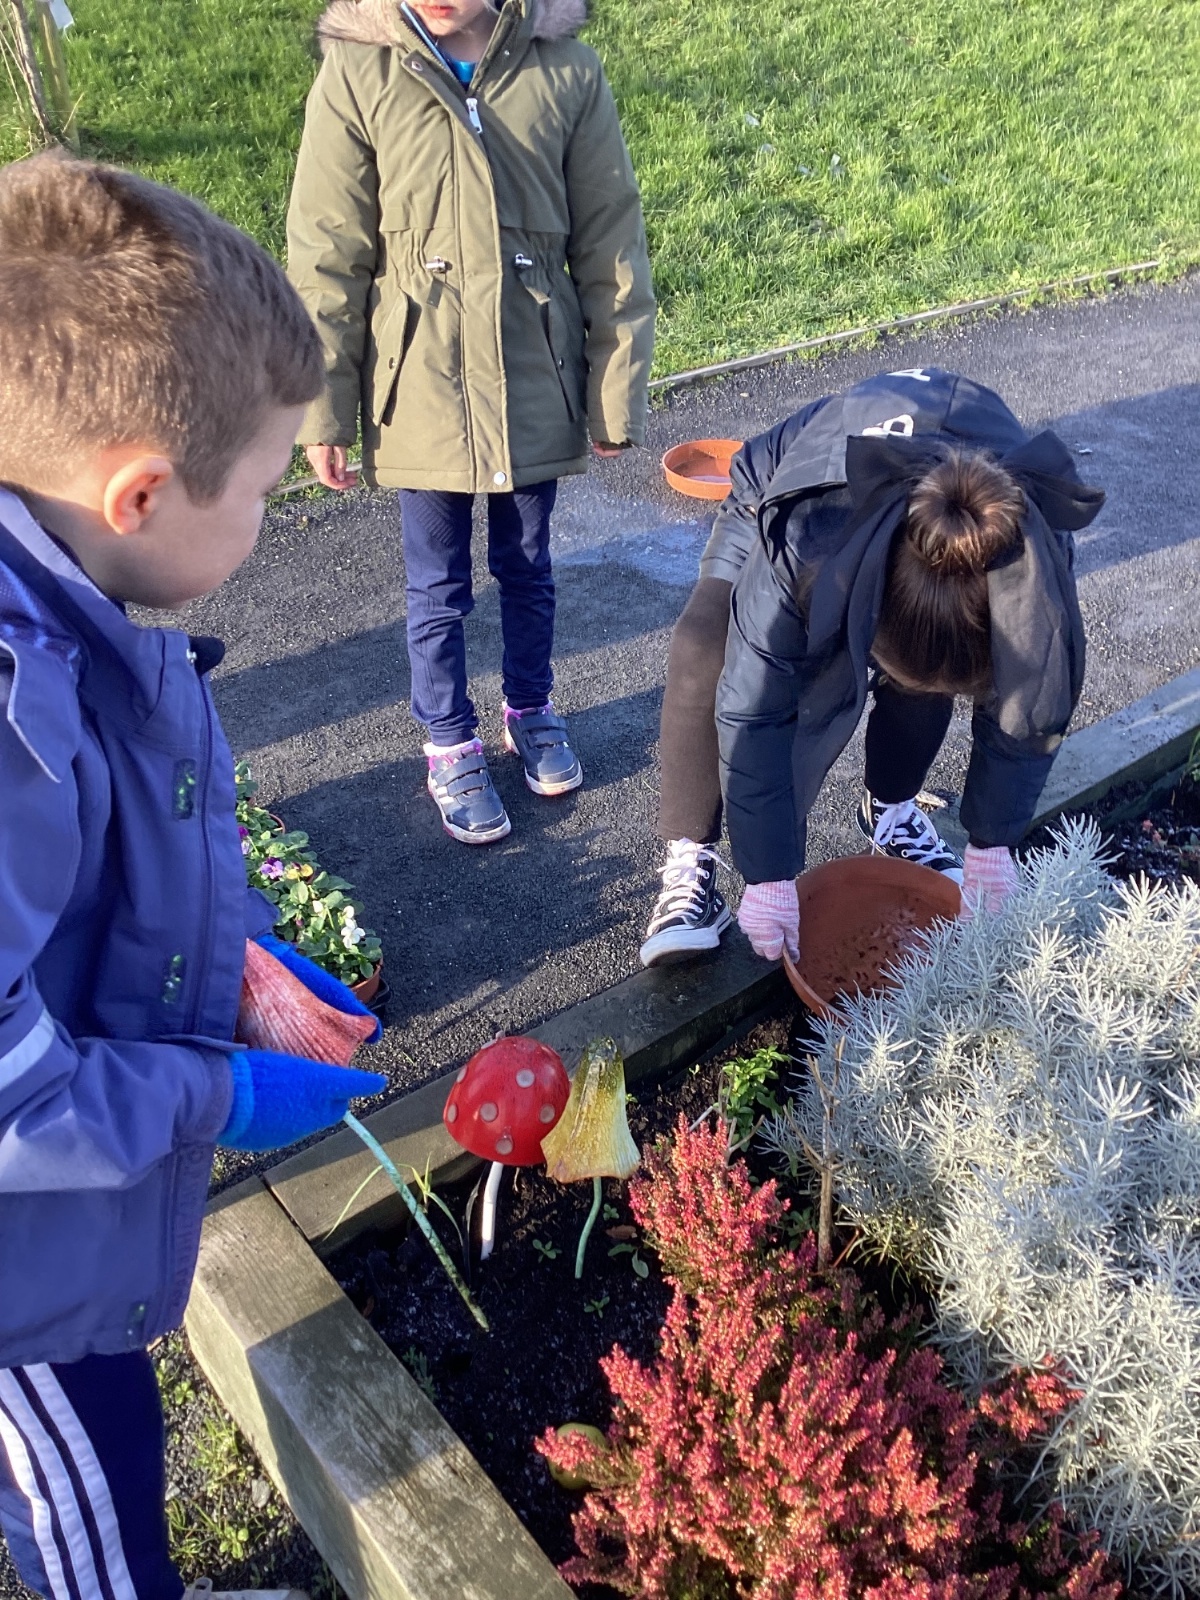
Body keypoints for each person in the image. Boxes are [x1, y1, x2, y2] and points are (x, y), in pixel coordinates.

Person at [0, 153, 390, 1600]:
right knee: (81, 1498)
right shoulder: (10, 712)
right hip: (12, 1292)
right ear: (143, 491)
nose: (270, 519)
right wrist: (209, 1096)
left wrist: (224, 961)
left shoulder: (56, 599)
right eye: (269, 488)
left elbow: (74, 901)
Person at [287, 0, 656, 845]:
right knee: (436, 583)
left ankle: (530, 705)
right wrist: (323, 409)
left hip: (532, 373)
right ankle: (449, 740)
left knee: (528, 564)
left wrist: (613, 393)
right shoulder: (360, 69)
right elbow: (327, 252)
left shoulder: (566, 70)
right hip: (419, 380)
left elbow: (611, 240)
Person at [639, 367, 1103, 966]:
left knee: (929, 670)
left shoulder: (1030, 551)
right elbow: (755, 705)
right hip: (788, 481)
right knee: (703, 643)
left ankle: (891, 811)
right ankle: (690, 860)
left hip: (947, 511)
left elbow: (1036, 696)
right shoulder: (806, 534)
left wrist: (993, 842)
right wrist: (767, 873)